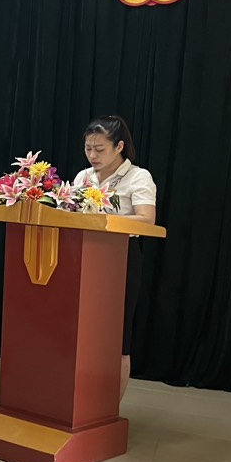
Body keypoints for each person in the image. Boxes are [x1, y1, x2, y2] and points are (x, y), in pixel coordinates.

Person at [73, 116, 158, 400]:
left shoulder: (138, 177)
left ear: (119, 146)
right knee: (82, 330)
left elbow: (147, 219)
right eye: (88, 148)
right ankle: (81, 400)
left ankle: (109, 406)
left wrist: (103, 220)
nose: (92, 155)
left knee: (117, 334)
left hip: (120, 258)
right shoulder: (83, 177)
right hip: (83, 256)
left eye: (100, 149)